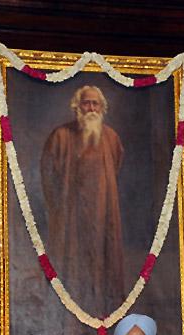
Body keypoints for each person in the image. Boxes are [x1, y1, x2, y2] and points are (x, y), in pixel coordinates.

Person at [41, 85, 125, 319]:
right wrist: (61, 209)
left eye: (95, 104)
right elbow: (49, 176)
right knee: (72, 268)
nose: (91, 108)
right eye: (86, 103)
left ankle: (101, 317)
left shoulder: (111, 138)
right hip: (71, 221)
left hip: (103, 217)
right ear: (77, 107)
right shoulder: (61, 137)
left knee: (101, 266)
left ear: (102, 108)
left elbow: (117, 166)